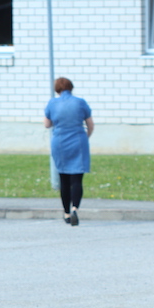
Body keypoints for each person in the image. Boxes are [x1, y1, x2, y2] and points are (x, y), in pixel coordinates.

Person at [44, 77, 94, 226]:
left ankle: (66, 213)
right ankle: (75, 208)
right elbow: (90, 124)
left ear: (57, 89)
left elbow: (47, 124)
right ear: (71, 87)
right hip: (78, 140)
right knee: (77, 179)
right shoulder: (80, 102)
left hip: (60, 142)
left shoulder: (52, 103)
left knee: (64, 179)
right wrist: (85, 137)